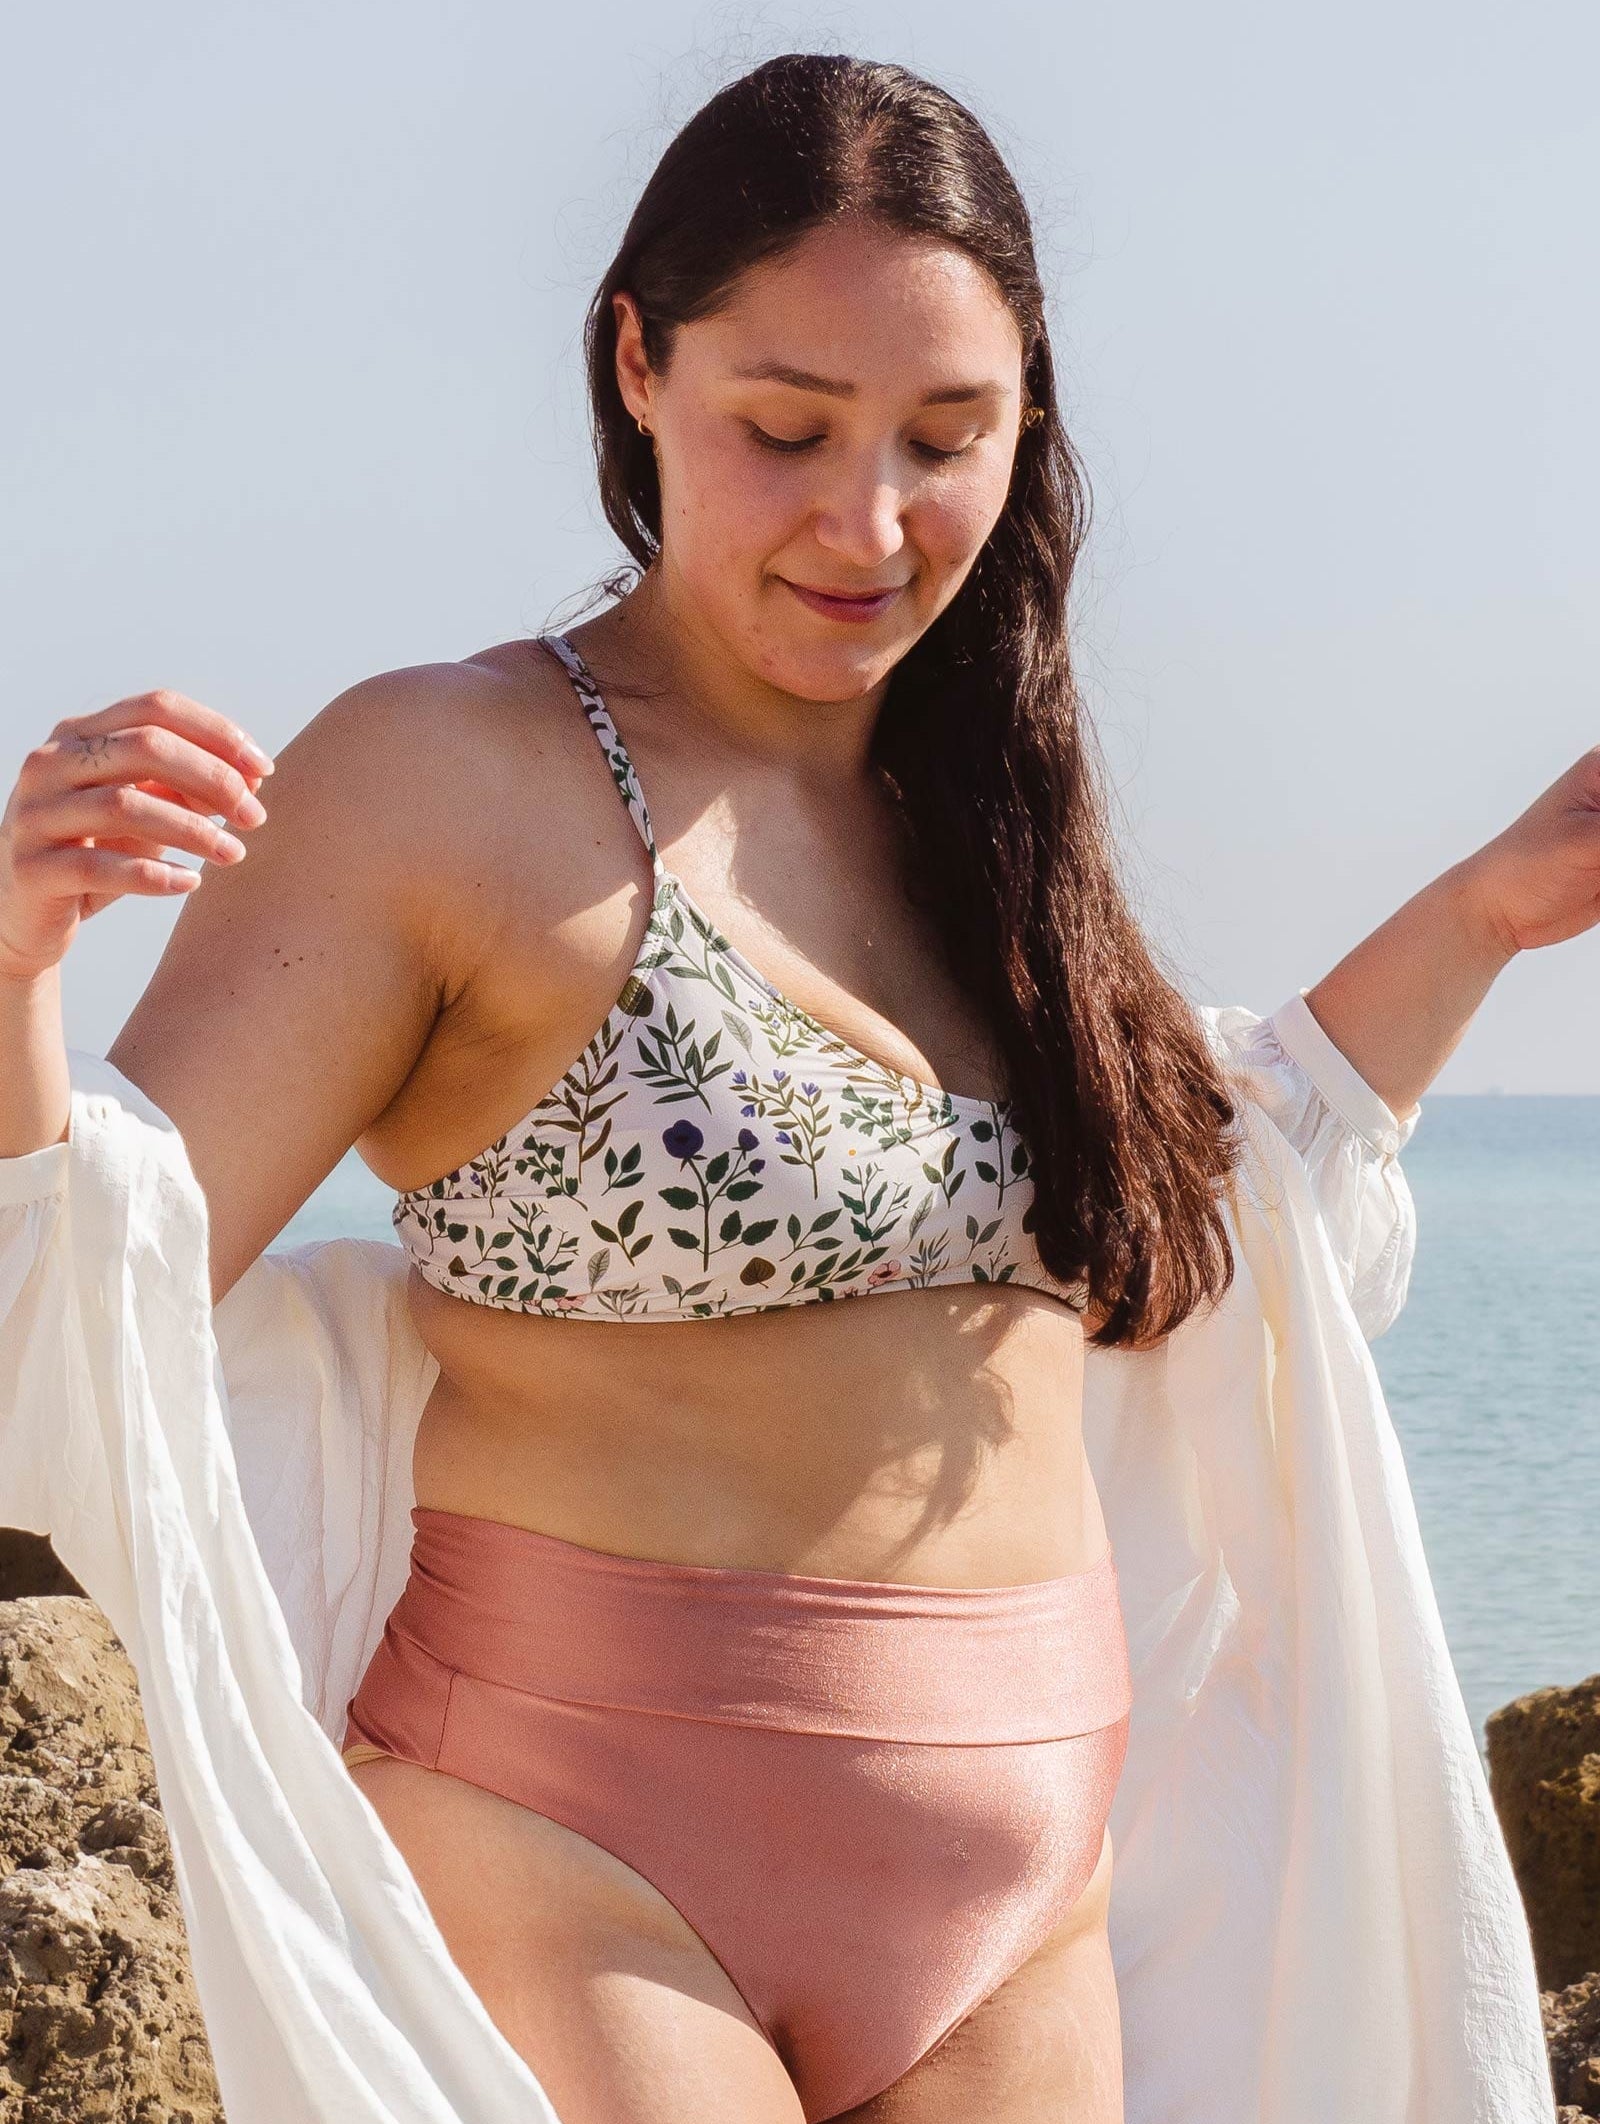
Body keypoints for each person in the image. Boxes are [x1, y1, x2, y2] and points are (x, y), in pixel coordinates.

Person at [0, 50, 1588, 2124]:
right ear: (635, 365)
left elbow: (1215, 1196)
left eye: (948, 438)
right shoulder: (440, 784)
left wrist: (1487, 906)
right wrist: (16, 962)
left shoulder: (992, 818)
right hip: (581, 1837)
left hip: (1025, 1880)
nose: (868, 521)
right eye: (783, 430)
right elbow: (92, 1287)